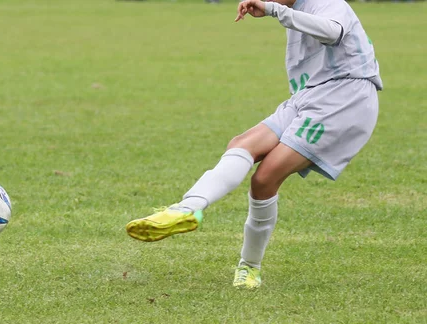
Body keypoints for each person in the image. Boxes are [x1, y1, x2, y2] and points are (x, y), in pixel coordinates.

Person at [126, 0, 382, 290]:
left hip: (345, 96)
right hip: (310, 96)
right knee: (242, 144)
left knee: (266, 177)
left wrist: (275, 11)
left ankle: (249, 267)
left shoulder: (329, 3)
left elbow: (333, 32)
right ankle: (187, 208)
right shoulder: (294, 10)